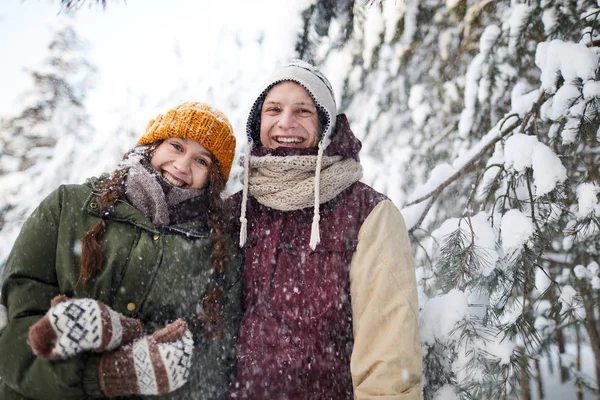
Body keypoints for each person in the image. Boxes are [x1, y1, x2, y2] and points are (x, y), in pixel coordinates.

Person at [0, 102, 242, 399]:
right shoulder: (67, 207)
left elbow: (214, 364)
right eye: (176, 146)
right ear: (152, 146)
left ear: (213, 178)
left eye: (202, 161)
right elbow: (14, 329)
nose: (182, 165)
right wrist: (103, 376)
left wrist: (146, 358)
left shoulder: (217, 253)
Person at [224, 60, 422, 399]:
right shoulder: (237, 210)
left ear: (325, 126)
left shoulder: (369, 214)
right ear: (258, 123)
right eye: (273, 109)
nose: (286, 122)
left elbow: (388, 357)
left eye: (303, 111)